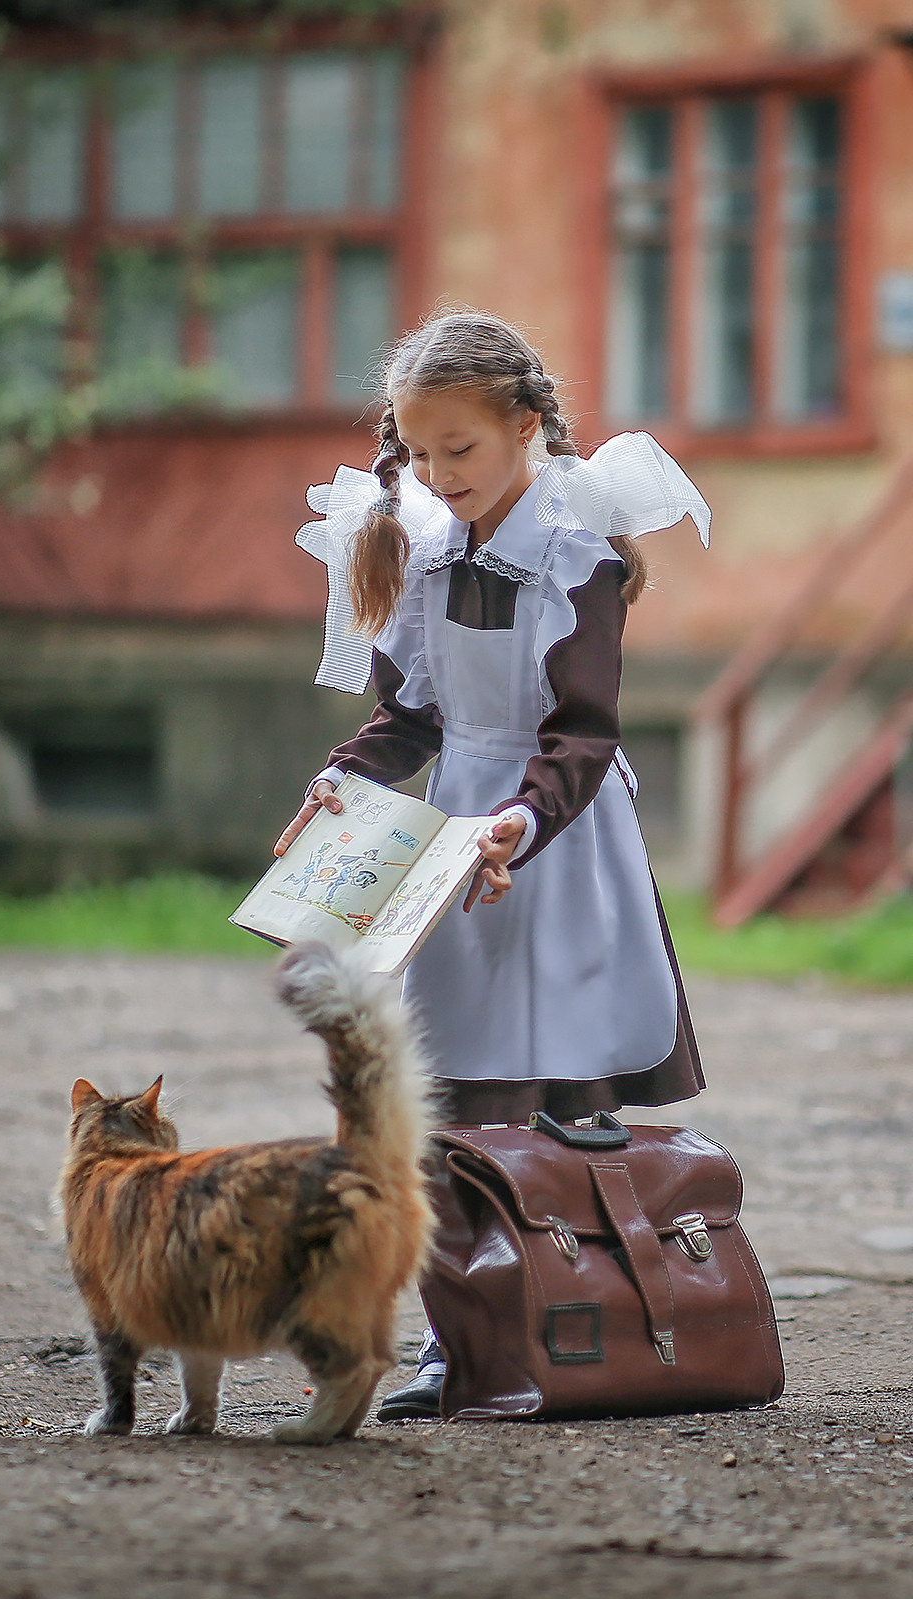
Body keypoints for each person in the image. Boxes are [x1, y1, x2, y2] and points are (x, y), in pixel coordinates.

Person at [274, 311, 711, 1421]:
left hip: (558, 845)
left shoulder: (580, 557)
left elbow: (584, 733)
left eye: (458, 450)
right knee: (451, 1102)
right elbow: (408, 718)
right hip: (452, 851)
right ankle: (454, 1345)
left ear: (526, 428)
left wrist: (521, 821)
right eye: (420, 454)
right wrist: (342, 783)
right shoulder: (424, 551)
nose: (437, 475)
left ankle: (593, 1327)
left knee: (563, 1102)